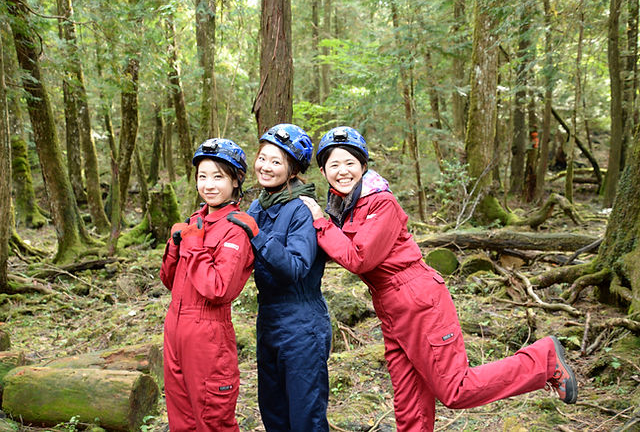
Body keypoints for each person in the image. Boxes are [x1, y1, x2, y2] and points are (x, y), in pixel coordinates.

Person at [300, 126, 578, 432]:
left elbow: (358, 258)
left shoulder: (380, 203)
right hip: (391, 308)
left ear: (364, 166)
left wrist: (321, 223)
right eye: (334, 165)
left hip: (417, 298)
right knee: (410, 400)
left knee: (456, 389)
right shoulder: (345, 208)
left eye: (350, 163)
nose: (342, 171)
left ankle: (543, 359)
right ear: (324, 171)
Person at [227, 123, 332, 431]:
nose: (265, 167)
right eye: (263, 158)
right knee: (273, 411)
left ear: (293, 169)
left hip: (302, 322)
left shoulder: (302, 208)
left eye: (276, 161)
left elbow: (296, 268)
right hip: (269, 319)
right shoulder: (259, 204)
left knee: (305, 415)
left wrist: (258, 235)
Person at [159, 138, 255, 431]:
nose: (209, 185)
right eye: (203, 176)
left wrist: (193, 245)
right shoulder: (194, 221)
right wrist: (175, 247)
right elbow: (167, 280)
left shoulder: (237, 229)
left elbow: (218, 289)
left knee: (213, 420)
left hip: (208, 335)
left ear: (236, 181)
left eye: (218, 176)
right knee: (181, 419)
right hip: (175, 327)